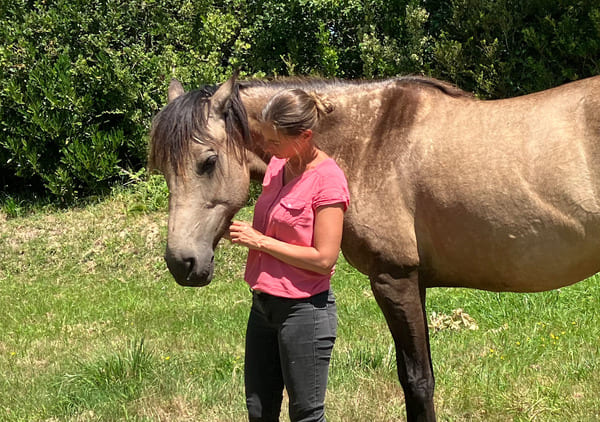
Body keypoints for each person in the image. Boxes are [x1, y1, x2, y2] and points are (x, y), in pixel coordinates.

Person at [228, 88, 350, 422]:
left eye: (275, 141)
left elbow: (324, 259)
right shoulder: (277, 166)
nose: (267, 148)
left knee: (306, 414)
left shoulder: (328, 181)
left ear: (305, 136)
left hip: (304, 311)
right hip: (263, 306)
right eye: (265, 138)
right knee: (259, 410)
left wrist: (260, 241)